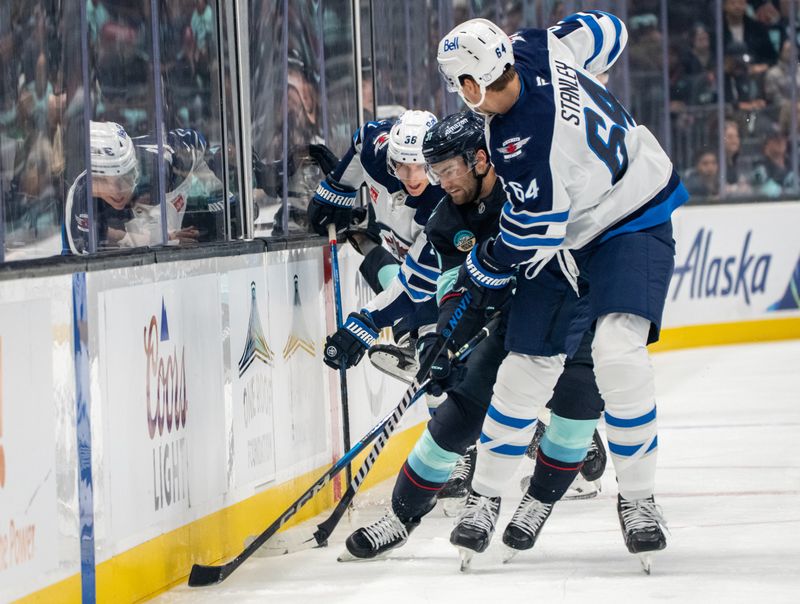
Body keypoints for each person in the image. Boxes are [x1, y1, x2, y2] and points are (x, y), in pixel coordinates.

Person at [437, 11, 688, 572]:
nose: (458, 95)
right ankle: (487, 496)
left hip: (632, 217)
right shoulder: (534, 45)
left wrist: (482, 268)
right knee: (526, 365)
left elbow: (530, 234)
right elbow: (609, 28)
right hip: (573, 226)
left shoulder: (531, 143)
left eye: (458, 84)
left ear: (474, 85)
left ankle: (640, 498)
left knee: (617, 352)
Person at [338, 111, 606, 562]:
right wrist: (439, 342)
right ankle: (402, 518)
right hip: (502, 327)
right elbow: (441, 286)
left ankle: (538, 501)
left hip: (571, 307)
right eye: (434, 172)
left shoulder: (526, 186)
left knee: (577, 402)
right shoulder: (445, 221)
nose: (440, 182)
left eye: (447, 171)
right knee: (457, 414)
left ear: (480, 159)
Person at [311, 110, 444, 380]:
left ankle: (422, 337)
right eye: (401, 165)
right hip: (404, 249)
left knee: (439, 371)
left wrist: (364, 325)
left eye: (419, 166)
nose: (411, 177)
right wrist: (339, 187)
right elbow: (363, 138)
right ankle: (412, 335)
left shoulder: (444, 202)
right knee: (376, 261)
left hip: (451, 277)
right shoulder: (377, 148)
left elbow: (415, 287)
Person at [63, 121, 218, 254]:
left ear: (136, 169)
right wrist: (165, 239)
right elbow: (86, 256)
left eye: (124, 177)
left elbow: (198, 144)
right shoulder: (80, 194)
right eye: (103, 180)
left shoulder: (168, 161)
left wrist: (221, 194)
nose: (116, 191)